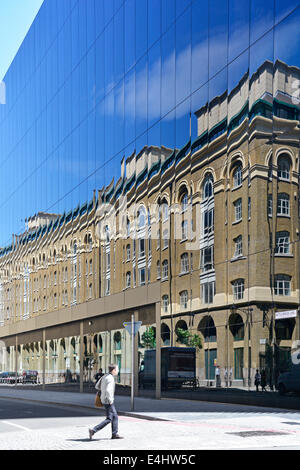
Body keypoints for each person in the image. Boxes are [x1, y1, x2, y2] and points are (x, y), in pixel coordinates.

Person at [89, 364, 123, 440]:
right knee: (109, 418)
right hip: (108, 401)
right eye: (117, 369)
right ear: (113, 370)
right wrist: (110, 400)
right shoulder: (110, 378)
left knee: (114, 417)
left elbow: (97, 386)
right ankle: (93, 430)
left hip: (104, 399)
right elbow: (108, 390)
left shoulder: (104, 376)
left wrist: (103, 391)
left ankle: (114, 434)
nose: (118, 371)